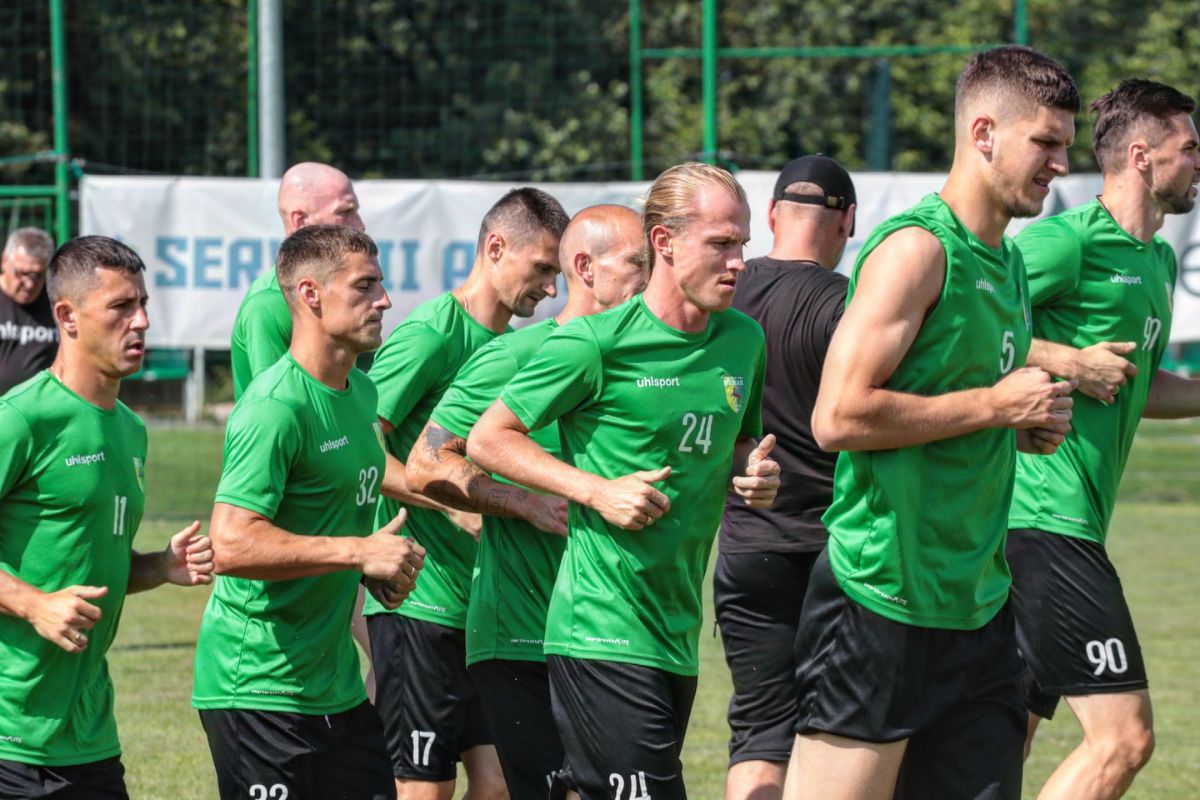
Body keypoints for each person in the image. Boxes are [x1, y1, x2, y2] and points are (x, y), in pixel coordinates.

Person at [782, 46, 1080, 800]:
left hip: (978, 604)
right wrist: (994, 405)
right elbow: (838, 416)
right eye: (1044, 142)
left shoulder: (1007, 262)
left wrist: (1021, 422)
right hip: (880, 595)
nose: (1059, 165)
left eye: (1066, 147)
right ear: (984, 133)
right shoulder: (915, 251)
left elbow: (961, 403)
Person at [467, 163, 781, 800]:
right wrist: (594, 489)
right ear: (664, 243)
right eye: (721, 243)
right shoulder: (594, 344)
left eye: (743, 244)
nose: (739, 261)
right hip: (600, 628)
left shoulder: (744, 341)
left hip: (675, 631)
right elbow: (487, 439)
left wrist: (751, 470)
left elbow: (735, 442)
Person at [404, 204, 647, 799]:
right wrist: (521, 502)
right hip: (520, 634)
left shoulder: (641, 360)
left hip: (615, 632)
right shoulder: (514, 355)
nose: (650, 278)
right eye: (639, 263)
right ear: (585, 269)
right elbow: (423, 461)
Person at [1008, 79, 1200, 800]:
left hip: (1067, 526)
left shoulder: (1155, 261)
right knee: (1124, 738)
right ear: (1144, 156)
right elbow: (965, 321)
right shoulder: (1067, 240)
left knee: (1003, 743)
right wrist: (1064, 360)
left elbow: (1140, 384)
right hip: (1036, 522)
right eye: (1191, 147)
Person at [192, 225, 425, 800]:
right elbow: (231, 544)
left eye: (382, 285)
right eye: (365, 287)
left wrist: (378, 572)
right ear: (311, 295)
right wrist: (358, 552)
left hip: (337, 689)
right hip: (258, 690)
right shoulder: (274, 407)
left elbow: (332, 525)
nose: (385, 301)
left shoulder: (362, 395)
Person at [366, 187, 569, 800]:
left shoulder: (521, 350)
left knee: (501, 783)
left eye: (558, 274)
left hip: (484, 611)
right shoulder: (432, 334)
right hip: (421, 604)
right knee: (422, 788)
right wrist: (457, 506)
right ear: (495, 246)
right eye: (541, 269)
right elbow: (361, 452)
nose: (551, 290)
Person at [0, 235, 213, 799]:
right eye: (121, 306)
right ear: (67, 317)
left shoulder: (130, 429)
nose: (141, 321)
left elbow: (97, 568)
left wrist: (158, 567)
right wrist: (32, 604)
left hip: (90, 733)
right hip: (11, 735)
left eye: (142, 303)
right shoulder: (21, 419)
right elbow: (44, 596)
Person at [715, 154, 855, 800]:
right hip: (833, 553)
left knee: (761, 733)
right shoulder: (847, 305)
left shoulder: (721, 297)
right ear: (846, 222)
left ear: (770, 216)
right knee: (839, 735)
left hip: (745, 546)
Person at [230, 161, 365, 398]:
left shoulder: (342, 291)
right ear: (300, 220)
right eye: (345, 212)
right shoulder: (269, 304)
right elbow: (275, 403)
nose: (360, 225)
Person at [0, 227, 58, 394]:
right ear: (4, 261)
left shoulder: (56, 303)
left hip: (42, 411)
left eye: (38, 275)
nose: (30, 284)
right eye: (22, 273)